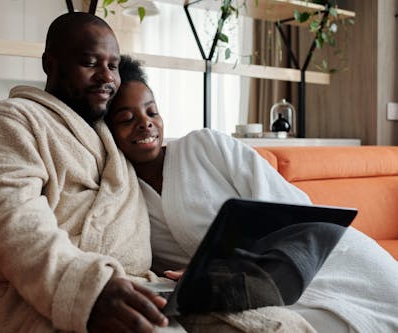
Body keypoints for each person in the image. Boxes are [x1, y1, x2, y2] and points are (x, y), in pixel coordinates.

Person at [0, 12, 313, 333]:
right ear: (50, 63)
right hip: (56, 299)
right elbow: (13, 226)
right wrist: (89, 290)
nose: (106, 77)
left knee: (283, 326)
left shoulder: (108, 137)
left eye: (112, 65)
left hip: (147, 288)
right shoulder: (7, 124)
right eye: (89, 62)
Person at [106, 55, 398, 333]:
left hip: (323, 257)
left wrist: (224, 271)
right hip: (246, 294)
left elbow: (290, 208)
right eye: (126, 118)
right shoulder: (127, 195)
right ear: (107, 131)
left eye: (151, 111)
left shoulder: (205, 146)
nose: (145, 123)